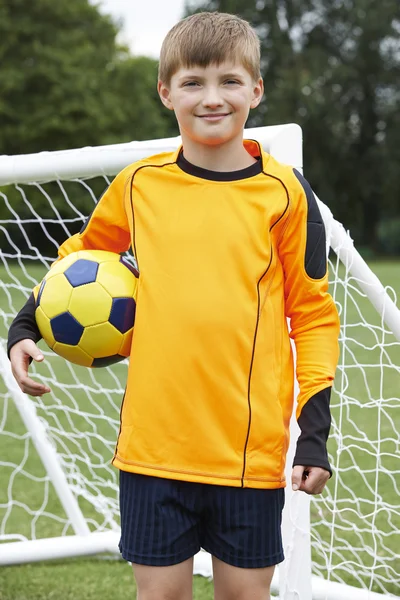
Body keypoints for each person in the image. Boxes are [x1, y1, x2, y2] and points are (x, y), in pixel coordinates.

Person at [8, 11, 340, 600]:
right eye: (193, 83)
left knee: (245, 596)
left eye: (230, 82)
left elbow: (312, 314)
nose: (212, 98)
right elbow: (82, 259)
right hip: (153, 450)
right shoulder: (140, 184)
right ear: (166, 91)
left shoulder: (286, 193)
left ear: (256, 89)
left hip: (248, 453)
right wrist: (27, 321)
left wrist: (312, 433)